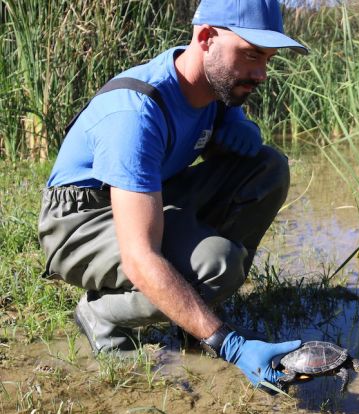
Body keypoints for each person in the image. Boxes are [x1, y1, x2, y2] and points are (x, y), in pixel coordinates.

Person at [37, 0, 306, 388]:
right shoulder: (134, 113)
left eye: (268, 59)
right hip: (79, 220)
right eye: (250, 55)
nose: (261, 73)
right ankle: (102, 314)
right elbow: (139, 256)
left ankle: (197, 312)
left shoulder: (216, 85)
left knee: (268, 167)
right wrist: (229, 344)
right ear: (205, 37)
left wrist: (236, 130)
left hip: (148, 194)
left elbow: (230, 137)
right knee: (218, 264)